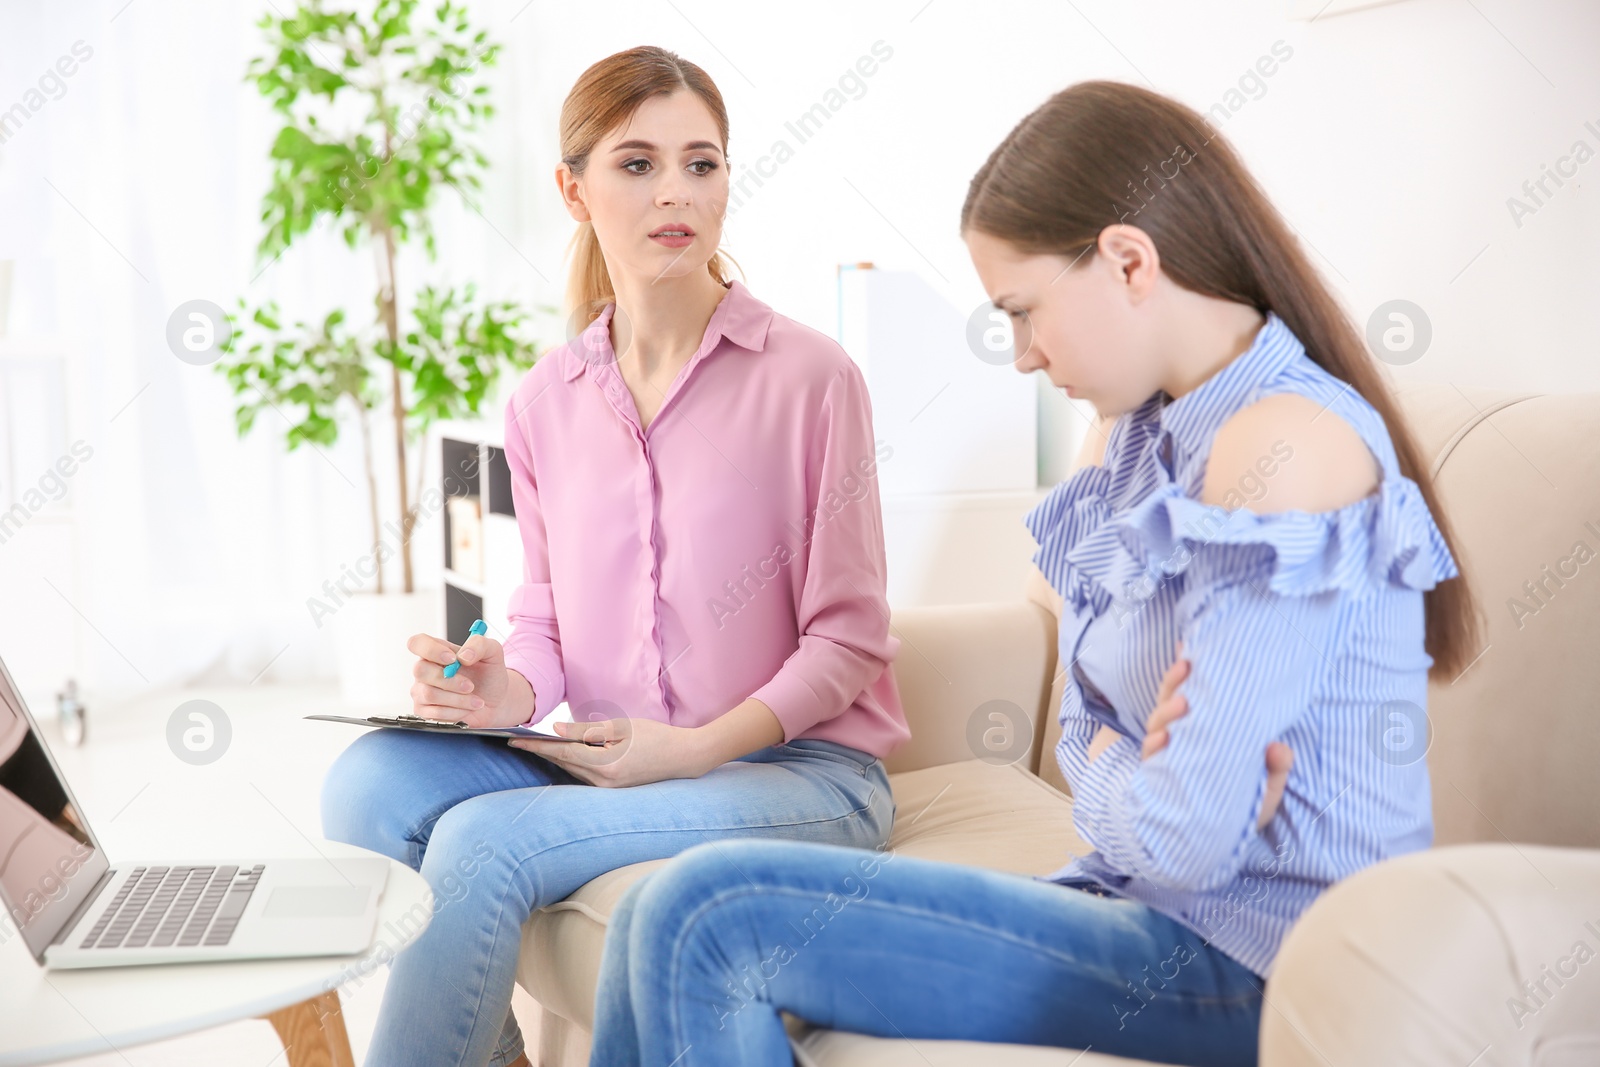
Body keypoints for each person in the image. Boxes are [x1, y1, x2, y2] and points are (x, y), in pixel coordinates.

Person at [587, 79, 1482, 1067]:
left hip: (1273, 962)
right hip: (1132, 907)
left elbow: (1184, 836)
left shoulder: (1290, 442)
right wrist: (1126, 764)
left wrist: (1118, 767)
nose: (1018, 356)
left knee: (705, 909)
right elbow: (1083, 728)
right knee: (656, 917)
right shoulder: (1128, 438)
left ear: (1128, 260)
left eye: (1022, 311)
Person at [319, 46, 908, 1067]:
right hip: (610, 758)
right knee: (366, 782)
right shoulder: (547, 399)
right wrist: (505, 687)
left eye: (701, 163)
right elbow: (544, 616)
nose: (675, 191)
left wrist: (690, 748)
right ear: (573, 188)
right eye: (636, 164)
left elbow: (849, 640)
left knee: (483, 840)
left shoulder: (813, 377)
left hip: (801, 773)